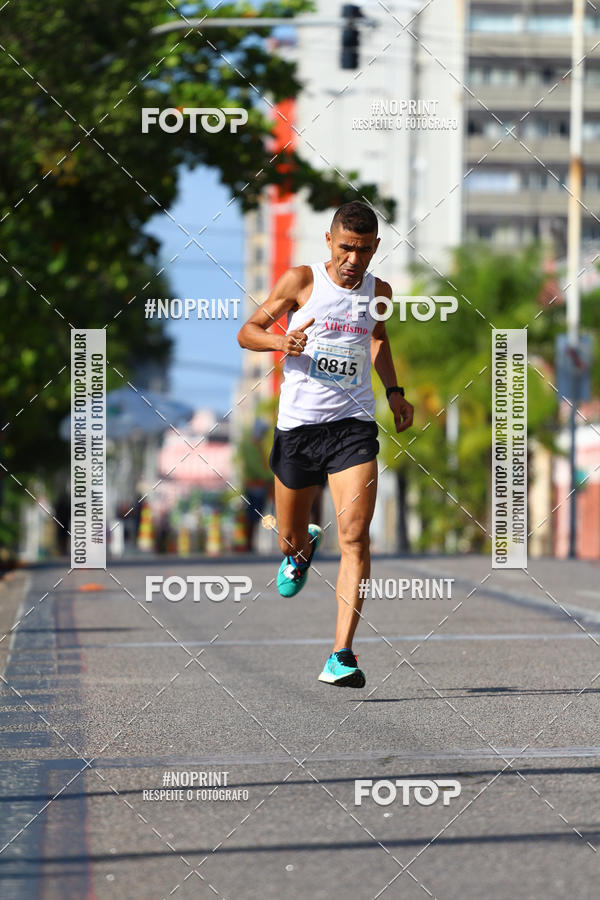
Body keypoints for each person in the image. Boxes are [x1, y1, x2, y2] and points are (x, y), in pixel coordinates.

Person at [237, 201, 414, 687]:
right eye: (345, 248)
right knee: (288, 536)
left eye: (362, 250)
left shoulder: (381, 291)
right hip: (298, 429)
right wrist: (280, 343)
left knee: (356, 536)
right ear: (329, 242)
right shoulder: (302, 281)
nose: (353, 260)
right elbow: (246, 332)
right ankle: (299, 548)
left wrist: (395, 393)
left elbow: (377, 339)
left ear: (375, 247)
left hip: (352, 426)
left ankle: (342, 654)